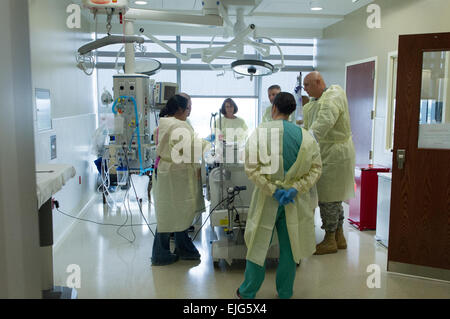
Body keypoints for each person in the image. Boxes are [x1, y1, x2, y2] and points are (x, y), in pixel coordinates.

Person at [237, 92, 322, 299]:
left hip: (268, 197)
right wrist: (295, 188)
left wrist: (273, 189)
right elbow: (316, 169)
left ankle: (248, 292)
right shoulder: (305, 136)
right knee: (290, 248)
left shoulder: (259, 132)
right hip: (293, 200)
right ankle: (285, 292)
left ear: (273, 107)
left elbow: (251, 168)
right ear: (292, 111)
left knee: (258, 244)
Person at [151, 94, 209, 266]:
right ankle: (160, 254)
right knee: (169, 214)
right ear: (179, 109)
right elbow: (191, 149)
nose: (189, 111)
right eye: (188, 108)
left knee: (177, 212)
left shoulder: (166, 122)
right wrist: (208, 144)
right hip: (174, 173)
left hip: (169, 171)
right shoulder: (177, 125)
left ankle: (183, 248)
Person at [302, 71, 356, 255]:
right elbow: (310, 123)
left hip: (334, 154)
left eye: (307, 85)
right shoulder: (316, 101)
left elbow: (322, 123)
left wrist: (303, 143)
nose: (304, 89)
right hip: (330, 151)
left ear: (318, 82)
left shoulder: (332, 96)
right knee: (335, 198)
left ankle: (329, 239)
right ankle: (339, 236)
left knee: (328, 198)